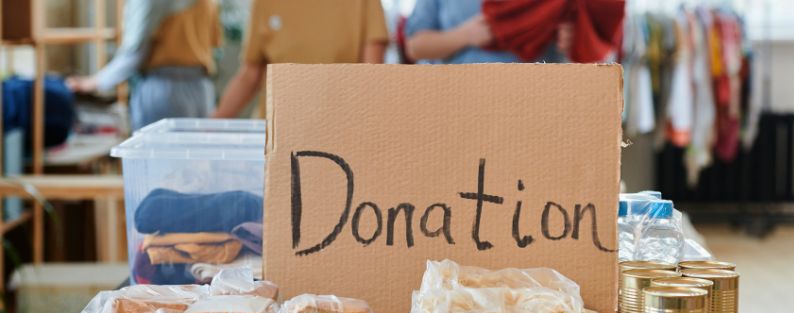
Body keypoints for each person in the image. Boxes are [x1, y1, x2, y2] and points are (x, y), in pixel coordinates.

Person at [212, 0, 389, 118]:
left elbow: (371, 78)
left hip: (339, 130)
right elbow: (249, 75)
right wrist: (210, 128)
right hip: (276, 133)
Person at [66, 0, 221, 131]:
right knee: (196, 162)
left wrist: (93, 82)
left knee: (158, 162)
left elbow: (135, 54)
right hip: (202, 90)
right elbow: (215, 42)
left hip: (165, 92)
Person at [404, 0, 572, 64]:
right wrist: (465, 35)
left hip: (536, 98)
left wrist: (571, 37)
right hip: (459, 101)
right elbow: (415, 47)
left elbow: (585, 42)